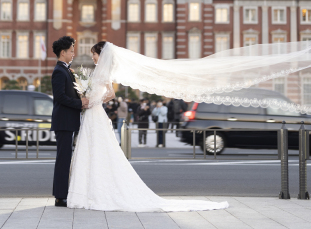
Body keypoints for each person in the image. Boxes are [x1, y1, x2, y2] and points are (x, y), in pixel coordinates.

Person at [67, 42, 227, 212]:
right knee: (92, 149)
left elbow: (111, 94)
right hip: (93, 113)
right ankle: (88, 190)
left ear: (102, 55)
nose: (93, 57)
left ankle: (93, 191)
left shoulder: (104, 71)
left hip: (95, 112)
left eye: (95, 54)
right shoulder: (98, 71)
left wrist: (93, 101)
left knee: (98, 149)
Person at [50, 36, 89, 208]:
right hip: (64, 122)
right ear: (63, 52)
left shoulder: (67, 70)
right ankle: (60, 196)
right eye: (71, 51)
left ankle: (63, 194)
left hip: (69, 121)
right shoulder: (59, 71)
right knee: (63, 159)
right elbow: (60, 97)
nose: (73, 54)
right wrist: (80, 103)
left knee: (67, 158)